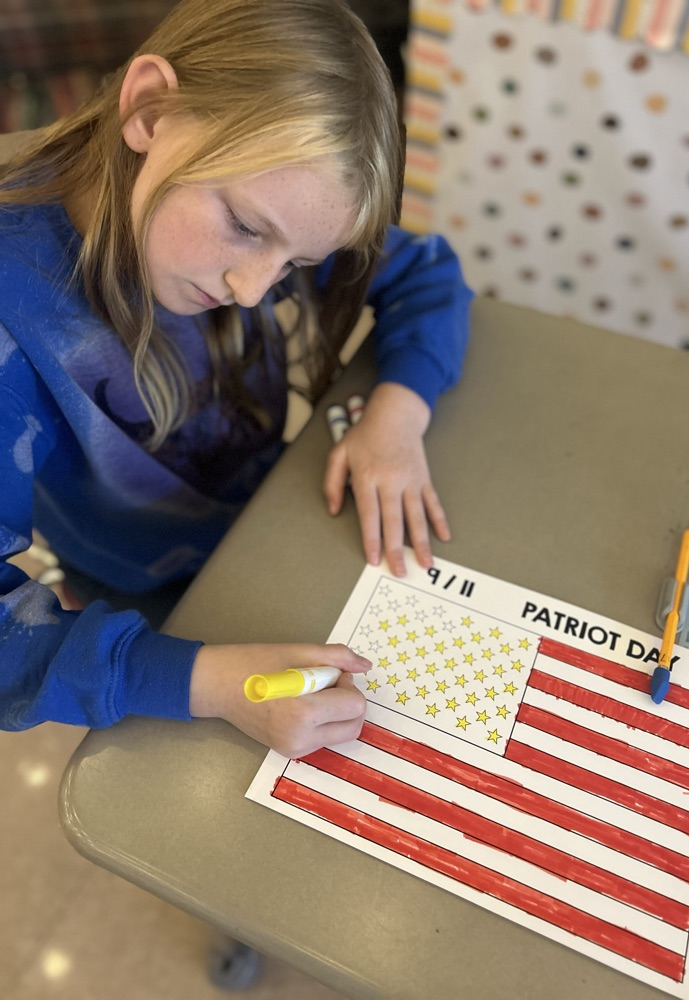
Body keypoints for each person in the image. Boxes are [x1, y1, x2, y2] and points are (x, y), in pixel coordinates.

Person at [0, 0, 472, 757]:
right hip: (137, 589)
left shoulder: (274, 204)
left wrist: (397, 414)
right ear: (150, 111)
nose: (256, 288)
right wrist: (214, 684)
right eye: (247, 228)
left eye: (296, 264)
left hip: (264, 523)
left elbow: (426, 274)